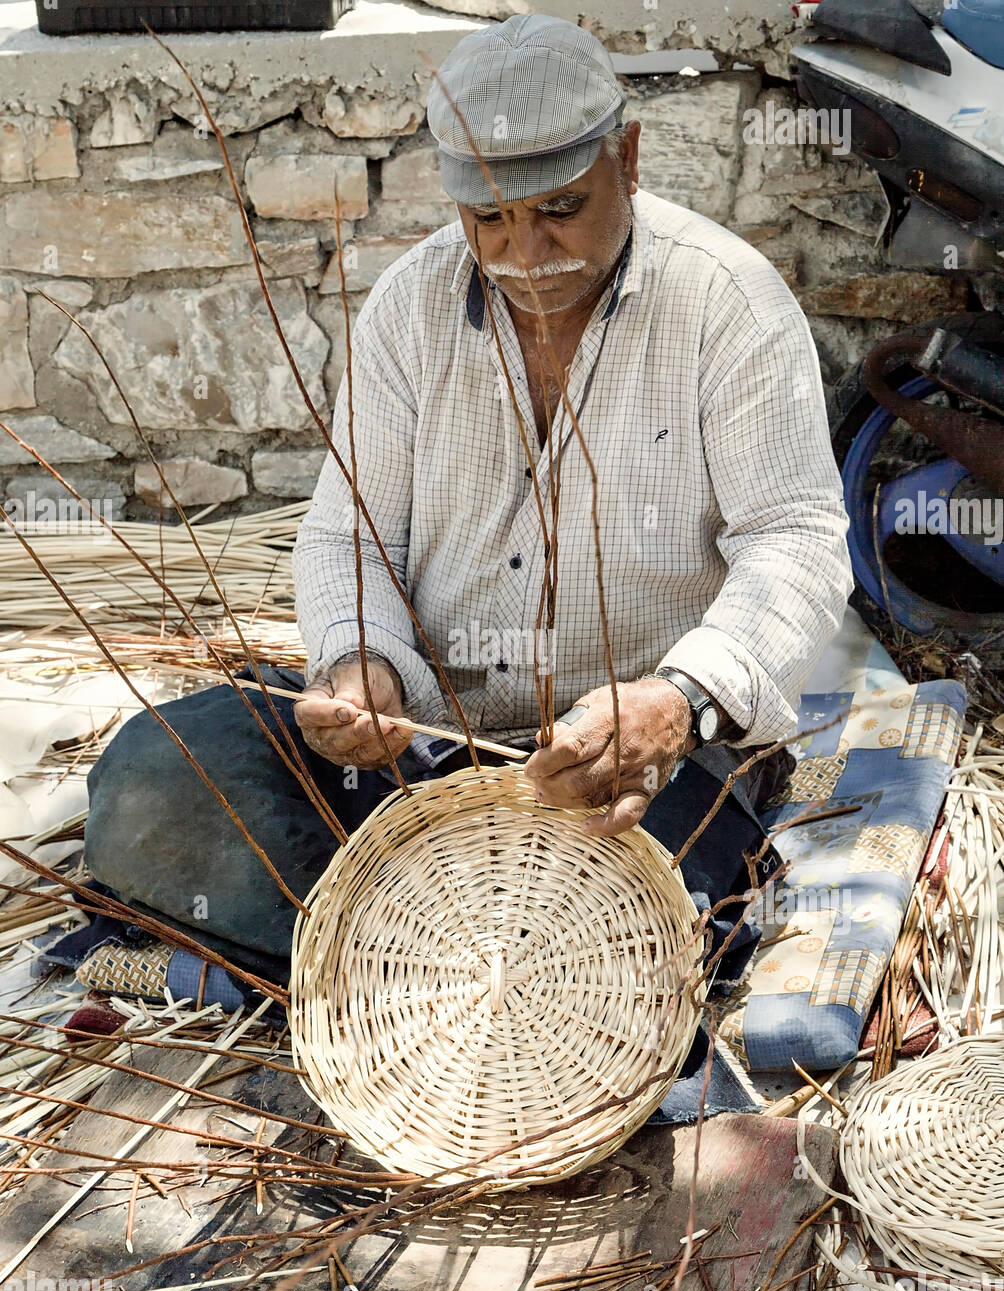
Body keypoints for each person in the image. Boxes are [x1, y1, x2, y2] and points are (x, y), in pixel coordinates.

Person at [84, 14, 853, 995]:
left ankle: (366, 964)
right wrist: (364, 665)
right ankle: (409, 967)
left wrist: (675, 699)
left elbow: (793, 542)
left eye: (560, 209)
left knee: (597, 922)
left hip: (621, 776)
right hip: (427, 750)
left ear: (627, 154)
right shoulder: (411, 306)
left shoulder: (725, 304)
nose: (524, 252)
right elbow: (346, 532)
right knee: (158, 781)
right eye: (488, 220)